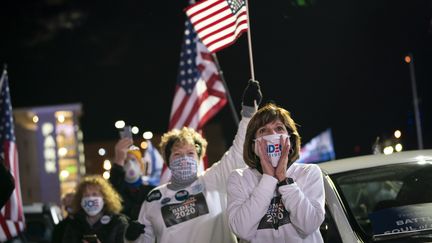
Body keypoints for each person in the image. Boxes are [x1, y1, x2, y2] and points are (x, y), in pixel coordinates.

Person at [129, 79, 262, 243]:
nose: (184, 158)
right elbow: (143, 239)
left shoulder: (214, 179)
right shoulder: (154, 198)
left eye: (190, 153)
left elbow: (238, 153)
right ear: (168, 160)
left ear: (199, 158)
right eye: (177, 154)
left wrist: (248, 112)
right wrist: (131, 238)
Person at [226, 103, 325, 243]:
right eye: (263, 130)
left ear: (289, 139)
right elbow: (242, 230)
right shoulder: (239, 178)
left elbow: (308, 226)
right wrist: (268, 178)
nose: (272, 134)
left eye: (279, 128)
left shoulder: (309, 172)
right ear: (253, 145)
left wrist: (283, 179)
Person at [62, 175, 128, 243]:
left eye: (95, 194)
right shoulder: (74, 224)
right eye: (86, 195)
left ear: (105, 198)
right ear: (80, 200)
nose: (90, 198)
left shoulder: (117, 222)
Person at [110, 143, 155, 220]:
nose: (130, 164)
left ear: (141, 165)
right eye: (125, 162)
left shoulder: (151, 192)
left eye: (133, 160)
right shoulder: (116, 192)